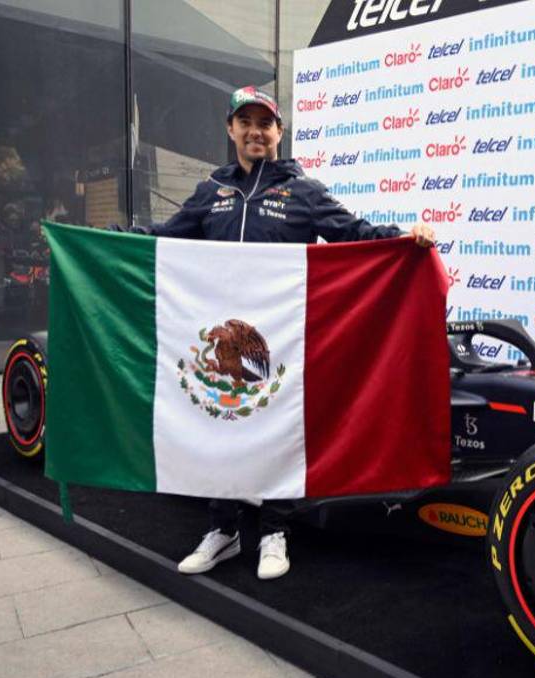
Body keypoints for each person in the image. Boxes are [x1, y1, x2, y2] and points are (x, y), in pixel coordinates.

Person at [117, 85, 435, 580]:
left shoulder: (303, 192)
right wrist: (109, 241)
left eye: (265, 123)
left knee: (279, 430)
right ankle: (222, 531)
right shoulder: (210, 193)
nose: (255, 132)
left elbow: (353, 232)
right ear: (231, 131)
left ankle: (274, 532)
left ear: (279, 132)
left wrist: (402, 238)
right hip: (219, 339)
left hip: (281, 343)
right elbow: (164, 240)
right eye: (245, 122)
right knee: (216, 427)